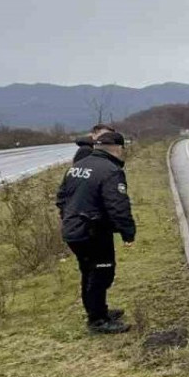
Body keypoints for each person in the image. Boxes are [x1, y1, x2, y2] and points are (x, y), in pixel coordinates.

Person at [56, 131, 136, 334]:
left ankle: (98, 310)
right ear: (118, 149)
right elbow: (117, 205)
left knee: (88, 272)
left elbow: (61, 198)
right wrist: (128, 232)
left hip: (74, 229)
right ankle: (97, 321)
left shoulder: (78, 166)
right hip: (93, 231)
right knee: (101, 273)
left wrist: (70, 217)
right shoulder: (110, 170)